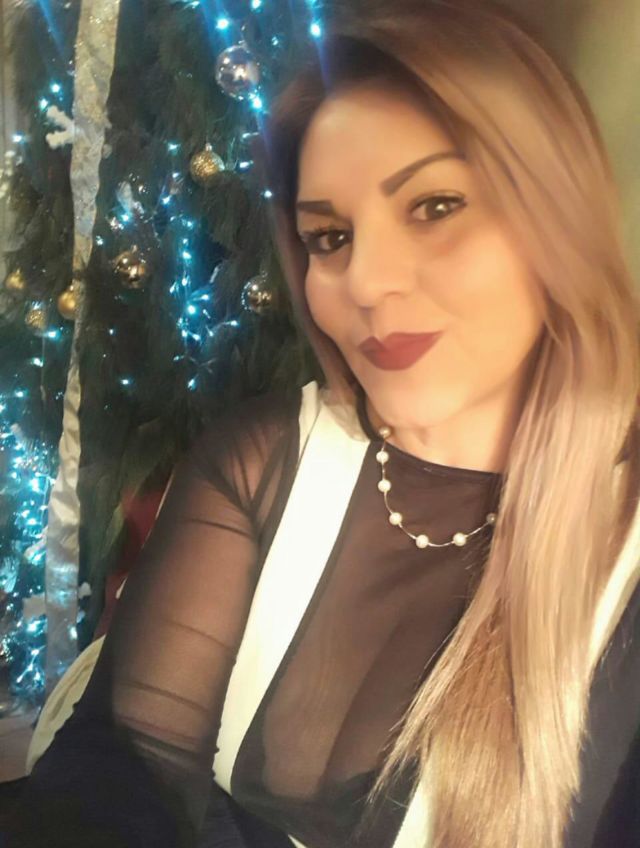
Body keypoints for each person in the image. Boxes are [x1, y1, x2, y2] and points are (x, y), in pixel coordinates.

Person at [7, 1, 640, 846]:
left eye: (435, 205)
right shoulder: (268, 458)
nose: (366, 282)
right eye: (330, 237)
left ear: (555, 213)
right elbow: (121, 763)